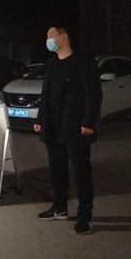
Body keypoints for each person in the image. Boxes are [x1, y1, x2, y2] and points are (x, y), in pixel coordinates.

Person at [33, 26, 102, 234]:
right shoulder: (51, 64)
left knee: (81, 173)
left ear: (63, 37)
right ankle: (59, 208)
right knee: (57, 171)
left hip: (75, 127)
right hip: (53, 128)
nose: (48, 40)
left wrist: (89, 122)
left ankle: (85, 216)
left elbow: (93, 94)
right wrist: (40, 119)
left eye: (51, 36)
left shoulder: (83, 62)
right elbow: (46, 94)